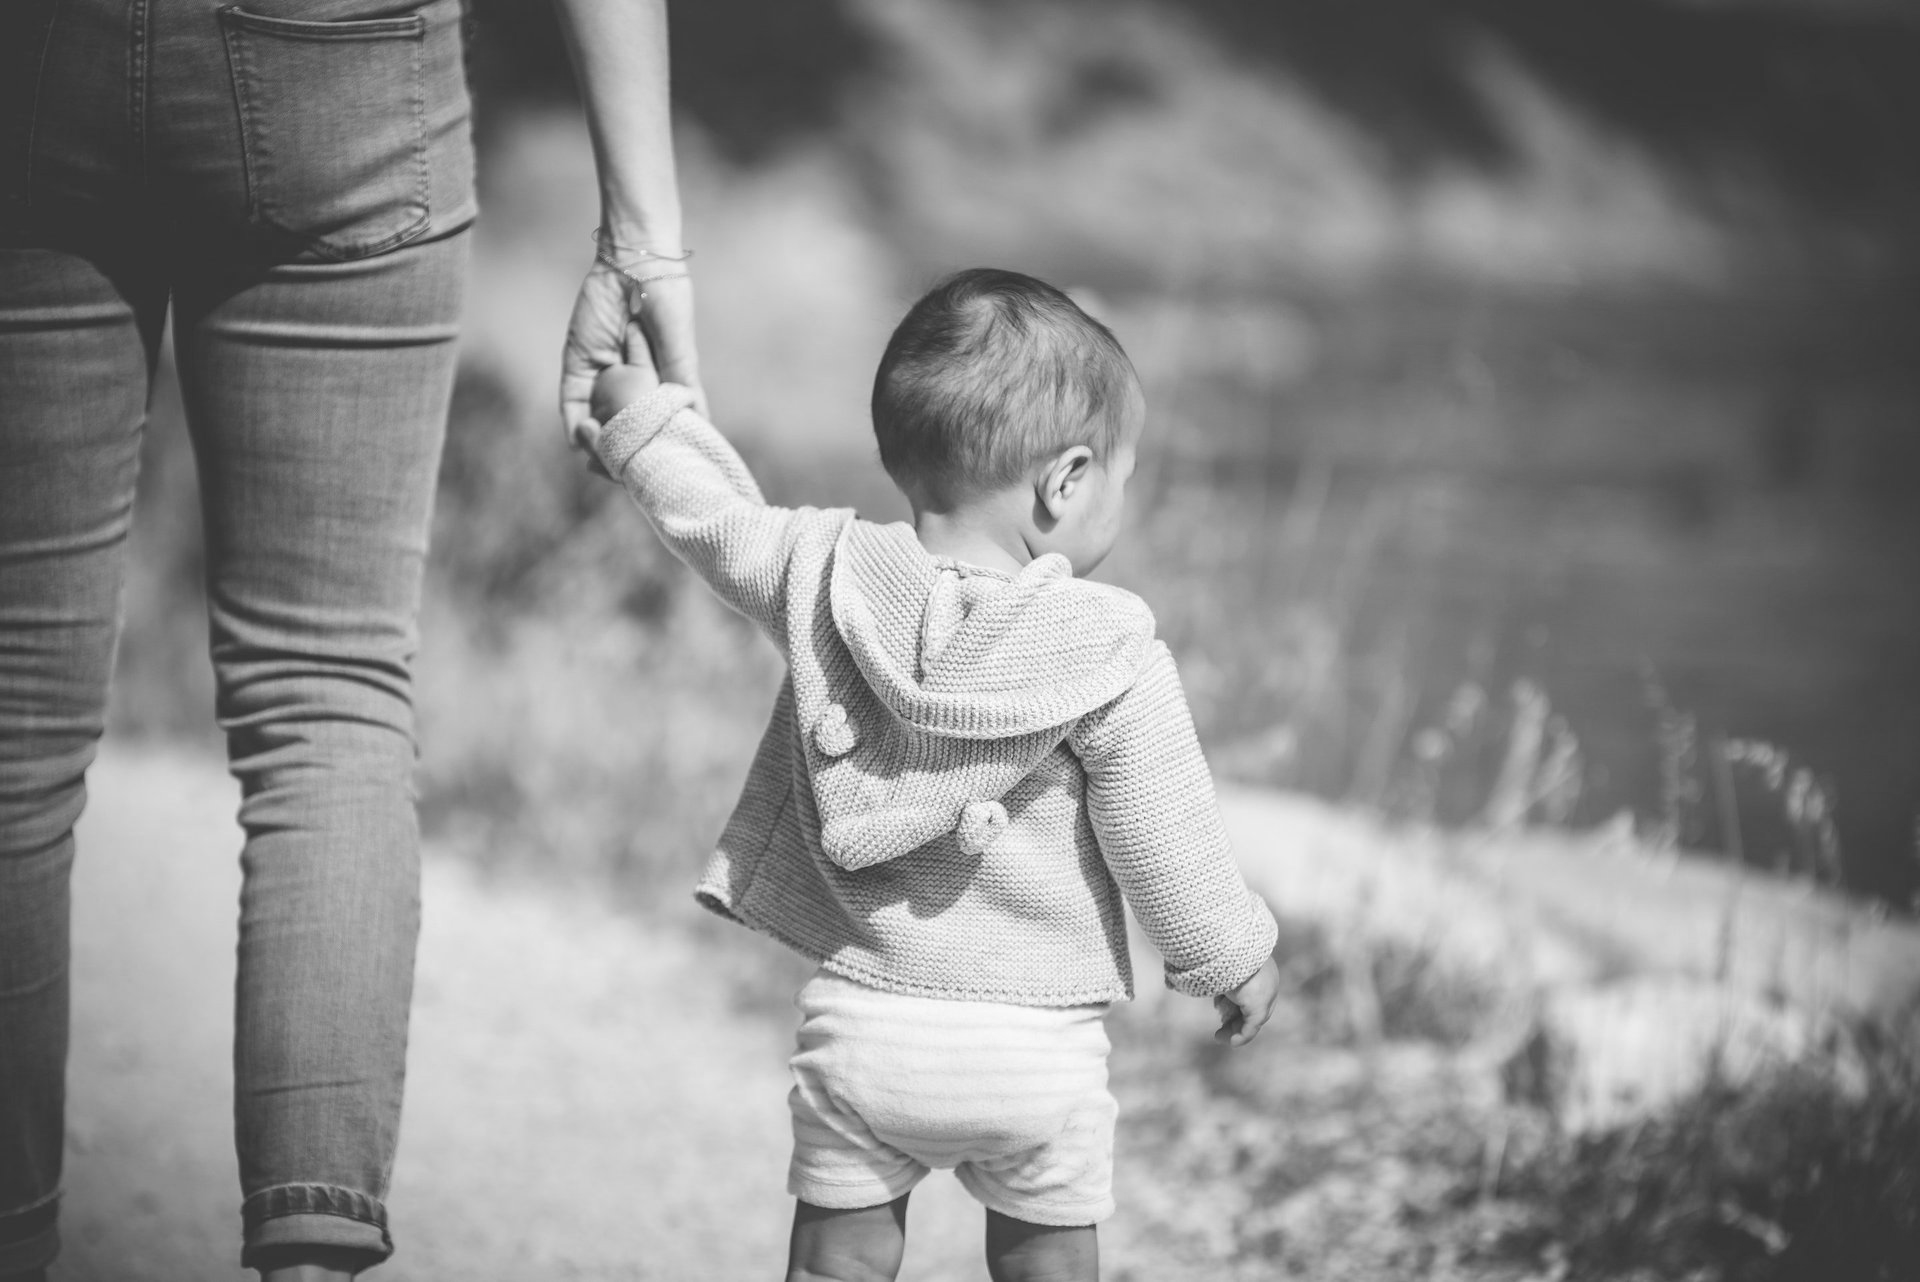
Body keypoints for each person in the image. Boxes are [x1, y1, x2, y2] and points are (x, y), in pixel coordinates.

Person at [0, 1, 693, 1278]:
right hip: (346, 59)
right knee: (330, 698)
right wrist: (643, 236)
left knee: (12, 719)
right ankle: (311, 1257)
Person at [580, 267, 1283, 1282]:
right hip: (1037, 1046)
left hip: (867, 1022)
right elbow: (1164, 831)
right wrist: (1231, 955)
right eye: (1126, 476)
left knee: (838, 1264)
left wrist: (634, 411)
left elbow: (711, 515)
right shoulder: (1107, 644)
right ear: (1068, 479)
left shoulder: (822, 571)